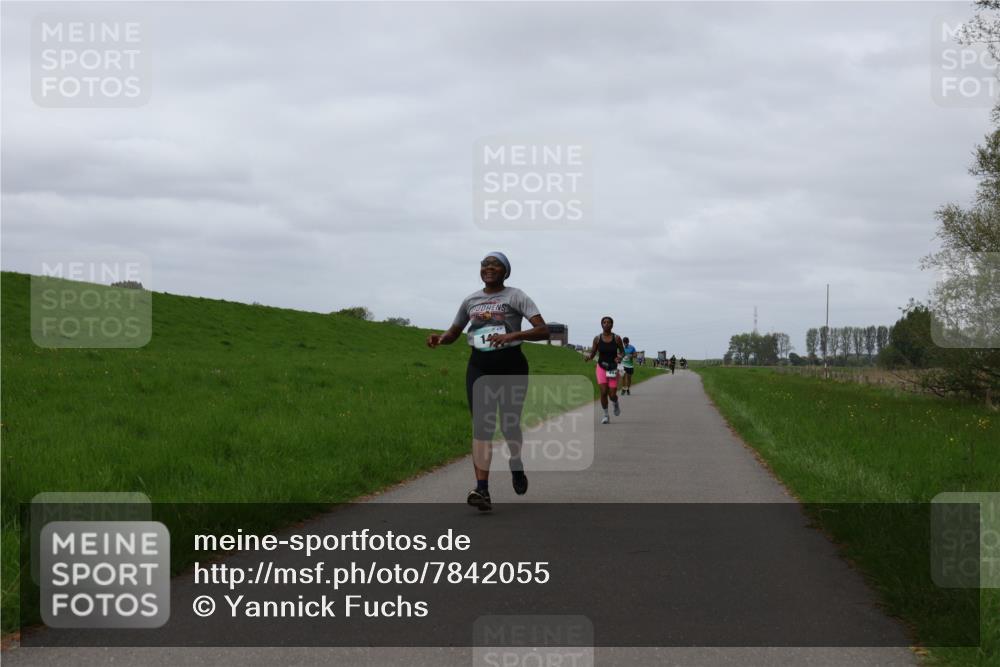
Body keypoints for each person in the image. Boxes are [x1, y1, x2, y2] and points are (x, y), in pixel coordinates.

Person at [426, 252, 549, 512]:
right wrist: (441, 339)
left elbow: (543, 330)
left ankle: (516, 463)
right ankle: (482, 489)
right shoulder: (471, 300)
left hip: (511, 366)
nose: (489, 268)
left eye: (495, 265)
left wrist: (512, 335)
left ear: (506, 272)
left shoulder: (516, 296)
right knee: (482, 427)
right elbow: (454, 331)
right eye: (485, 265)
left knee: (509, 425)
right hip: (479, 366)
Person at [585, 316, 624, 424]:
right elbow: (593, 352)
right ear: (601, 324)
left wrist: (619, 357)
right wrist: (589, 357)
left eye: (609, 322)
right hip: (601, 367)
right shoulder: (597, 338)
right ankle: (606, 415)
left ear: (612, 325)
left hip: (612, 368)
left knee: (612, 395)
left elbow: (622, 351)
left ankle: (615, 403)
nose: (606, 324)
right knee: (603, 392)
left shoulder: (617, 338)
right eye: (604, 322)